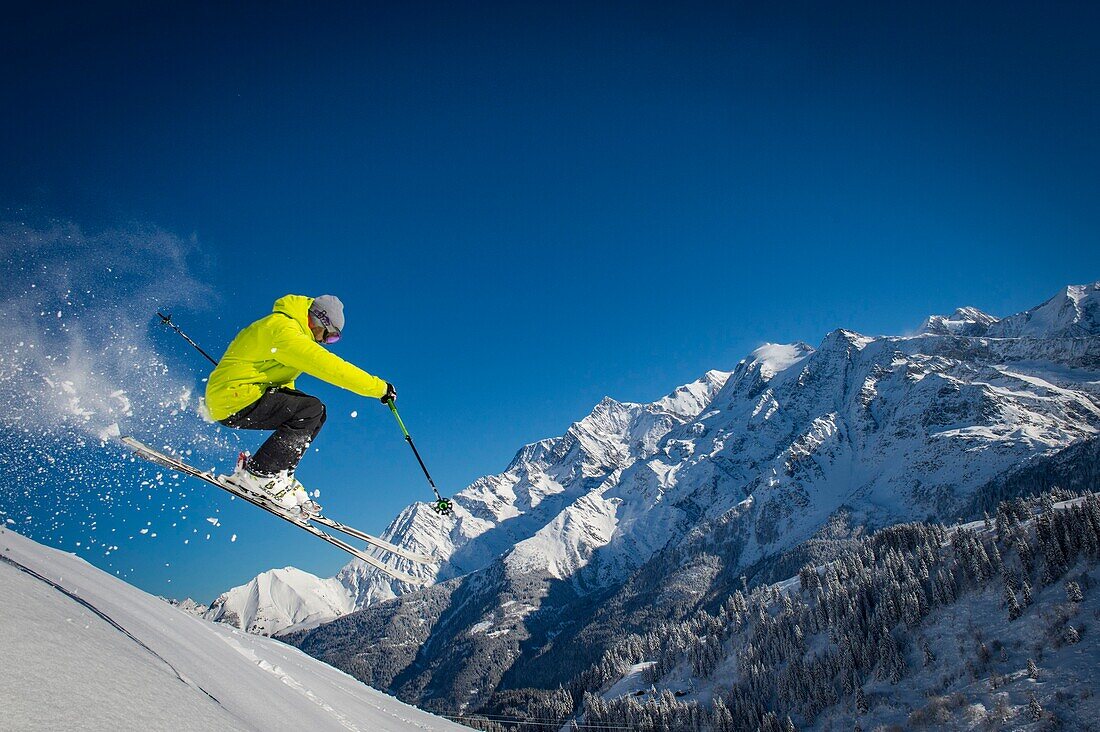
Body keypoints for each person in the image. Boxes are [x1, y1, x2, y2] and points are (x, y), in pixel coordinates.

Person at [204, 294, 395, 516]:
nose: (326, 342)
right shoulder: (284, 331)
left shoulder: (286, 330)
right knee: (310, 410)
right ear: (319, 319)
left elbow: (285, 387)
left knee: (316, 412)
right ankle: (261, 474)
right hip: (234, 398)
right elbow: (331, 368)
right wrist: (379, 387)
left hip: (237, 396)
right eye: (330, 336)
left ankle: (279, 473)